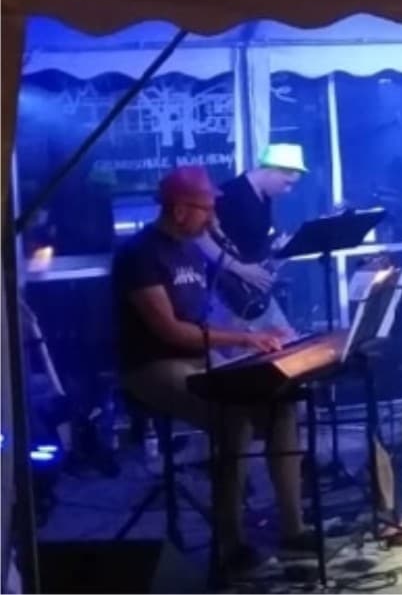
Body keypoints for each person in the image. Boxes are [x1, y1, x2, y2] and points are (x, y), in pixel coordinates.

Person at [113, 166, 315, 573]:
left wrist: (258, 338)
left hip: (198, 358)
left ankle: (293, 530)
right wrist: (244, 340)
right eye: (205, 210)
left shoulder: (190, 250)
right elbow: (171, 331)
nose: (212, 219)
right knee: (232, 418)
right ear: (179, 209)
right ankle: (230, 544)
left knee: (281, 405)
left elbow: (207, 317)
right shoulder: (140, 255)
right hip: (153, 364)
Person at [195, 143, 307, 330]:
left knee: (286, 340)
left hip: (252, 292)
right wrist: (239, 268)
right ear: (272, 170)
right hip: (227, 295)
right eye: (286, 183)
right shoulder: (230, 193)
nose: (287, 190)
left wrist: (277, 249)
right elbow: (199, 237)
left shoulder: (265, 197)